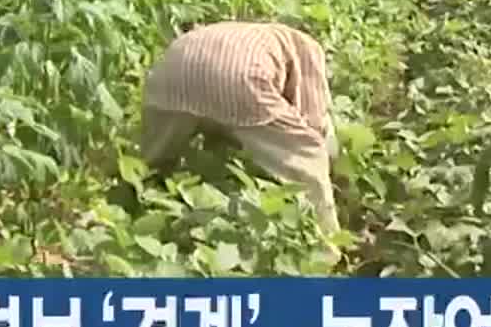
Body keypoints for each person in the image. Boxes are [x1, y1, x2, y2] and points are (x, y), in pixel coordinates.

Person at [139, 21, 342, 234]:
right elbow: (312, 119)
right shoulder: (309, 48)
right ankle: (326, 242)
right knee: (308, 155)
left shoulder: (253, 34)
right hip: (239, 76)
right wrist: (327, 161)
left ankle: (137, 209)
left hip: (170, 71)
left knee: (151, 164)